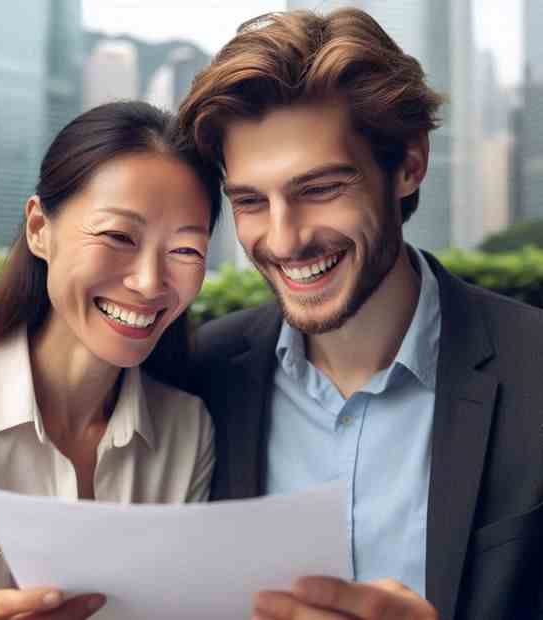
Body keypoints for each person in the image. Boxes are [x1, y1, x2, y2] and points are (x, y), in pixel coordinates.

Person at [178, 8, 543, 620]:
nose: (285, 239)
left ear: (408, 164)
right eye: (250, 201)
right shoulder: (199, 375)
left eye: (319, 189)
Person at [0, 101, 222, 619]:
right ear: (40, 228)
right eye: (118, 237)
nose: (150, 283)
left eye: (185, 251)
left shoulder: (186, 432)